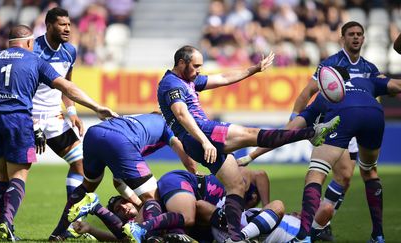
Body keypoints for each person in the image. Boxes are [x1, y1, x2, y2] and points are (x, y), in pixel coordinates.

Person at [155, 45, 340, 243]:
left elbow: (224, 78)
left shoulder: (187, 79)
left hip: (198, 140)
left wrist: (254, 69)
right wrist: (204, 141)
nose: (199, 70)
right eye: (196, 66)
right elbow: (182, 114)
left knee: (236, 186)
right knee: (252, 133)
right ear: (181, 63)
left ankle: (235, 238)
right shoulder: (171, 84)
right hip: (201, 133)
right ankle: (311, 133)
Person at [0, 24, 116, 241]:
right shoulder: (35, 60)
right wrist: (96, 107)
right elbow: (67, 87)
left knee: (0, 175)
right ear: (29, 43)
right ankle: (6, 224)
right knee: (19, 175)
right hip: (18, 119)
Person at [287, 21, 381, 242]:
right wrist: (295, 117)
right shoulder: (331, 64)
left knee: (345, 180)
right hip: (333, 124)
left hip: (358, 127)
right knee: (344, 174)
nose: (356, 37)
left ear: (364, 38)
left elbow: (374, 98)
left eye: (359, 34)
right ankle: (314, 225)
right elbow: (307, 92)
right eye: (351, 34)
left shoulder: (370, 69)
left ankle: (322, 222)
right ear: (343, 38)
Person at [283, 66, 396, 242]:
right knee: (368, 171)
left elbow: (290, 130)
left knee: (316, 173)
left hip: (344, 116)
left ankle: (304, 237)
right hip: (375, 114)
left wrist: (254, 153)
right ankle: (378, 235)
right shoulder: (365, 81)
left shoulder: (325, 96)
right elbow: (396, 86)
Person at [48, 113, 197, 241]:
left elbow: (118, 180)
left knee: (87, 186)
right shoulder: (167, 125)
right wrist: (193, 173)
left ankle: (59, 232)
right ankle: (153, 237)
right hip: (120, 140)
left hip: (94, 133)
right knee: (152, 198)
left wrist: (136, 202)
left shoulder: (139, 122)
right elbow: (182, 150)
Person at [69, 167, 272, 243]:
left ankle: (96, 207)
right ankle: (96, 207)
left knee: (140, 235)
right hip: (184, 185)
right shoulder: (238, 185)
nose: (123, 209)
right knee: (189, 217)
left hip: (191, 204)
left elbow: (262, 175)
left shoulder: (243, 194)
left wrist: (265, 205)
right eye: (119, 211)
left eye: (122, 204)